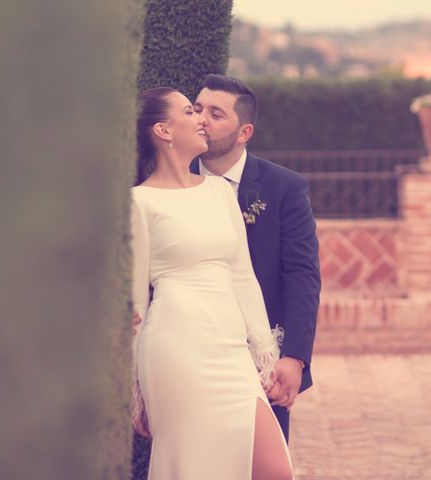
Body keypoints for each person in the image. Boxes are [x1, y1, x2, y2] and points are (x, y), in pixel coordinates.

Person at [130, 86, 293, 480]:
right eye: (190, 111)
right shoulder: (138, 202)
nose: (201, 119)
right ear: (164, 131)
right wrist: (135, 394)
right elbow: (135, 303)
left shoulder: (220, 192)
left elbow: (243, 277)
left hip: (230, 350)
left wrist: (265, 357)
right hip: (176, 349)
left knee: (275, 471)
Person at [190, 74, 321, 441]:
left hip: (262, 358)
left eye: (216, 114)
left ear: (244, 132)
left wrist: (294, 357)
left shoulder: (283, 188)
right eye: (197, 108)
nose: (201, 119)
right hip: (190, 348)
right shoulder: (166, 183)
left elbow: (302, 275)